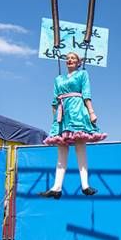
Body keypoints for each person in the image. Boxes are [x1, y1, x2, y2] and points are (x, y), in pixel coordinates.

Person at [40, 52, 107, 199]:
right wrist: (54, 120)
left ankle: (85, 185)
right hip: (63, 114)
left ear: (78, 62)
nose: (70, 60)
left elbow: (87, 94)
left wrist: (91, 112)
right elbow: (54, 100)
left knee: (80, 147)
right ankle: (56, 187)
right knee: (62, 150)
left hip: (77, 111)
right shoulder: (58, 79)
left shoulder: (82, 74)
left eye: (73, 58)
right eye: (68, 58)